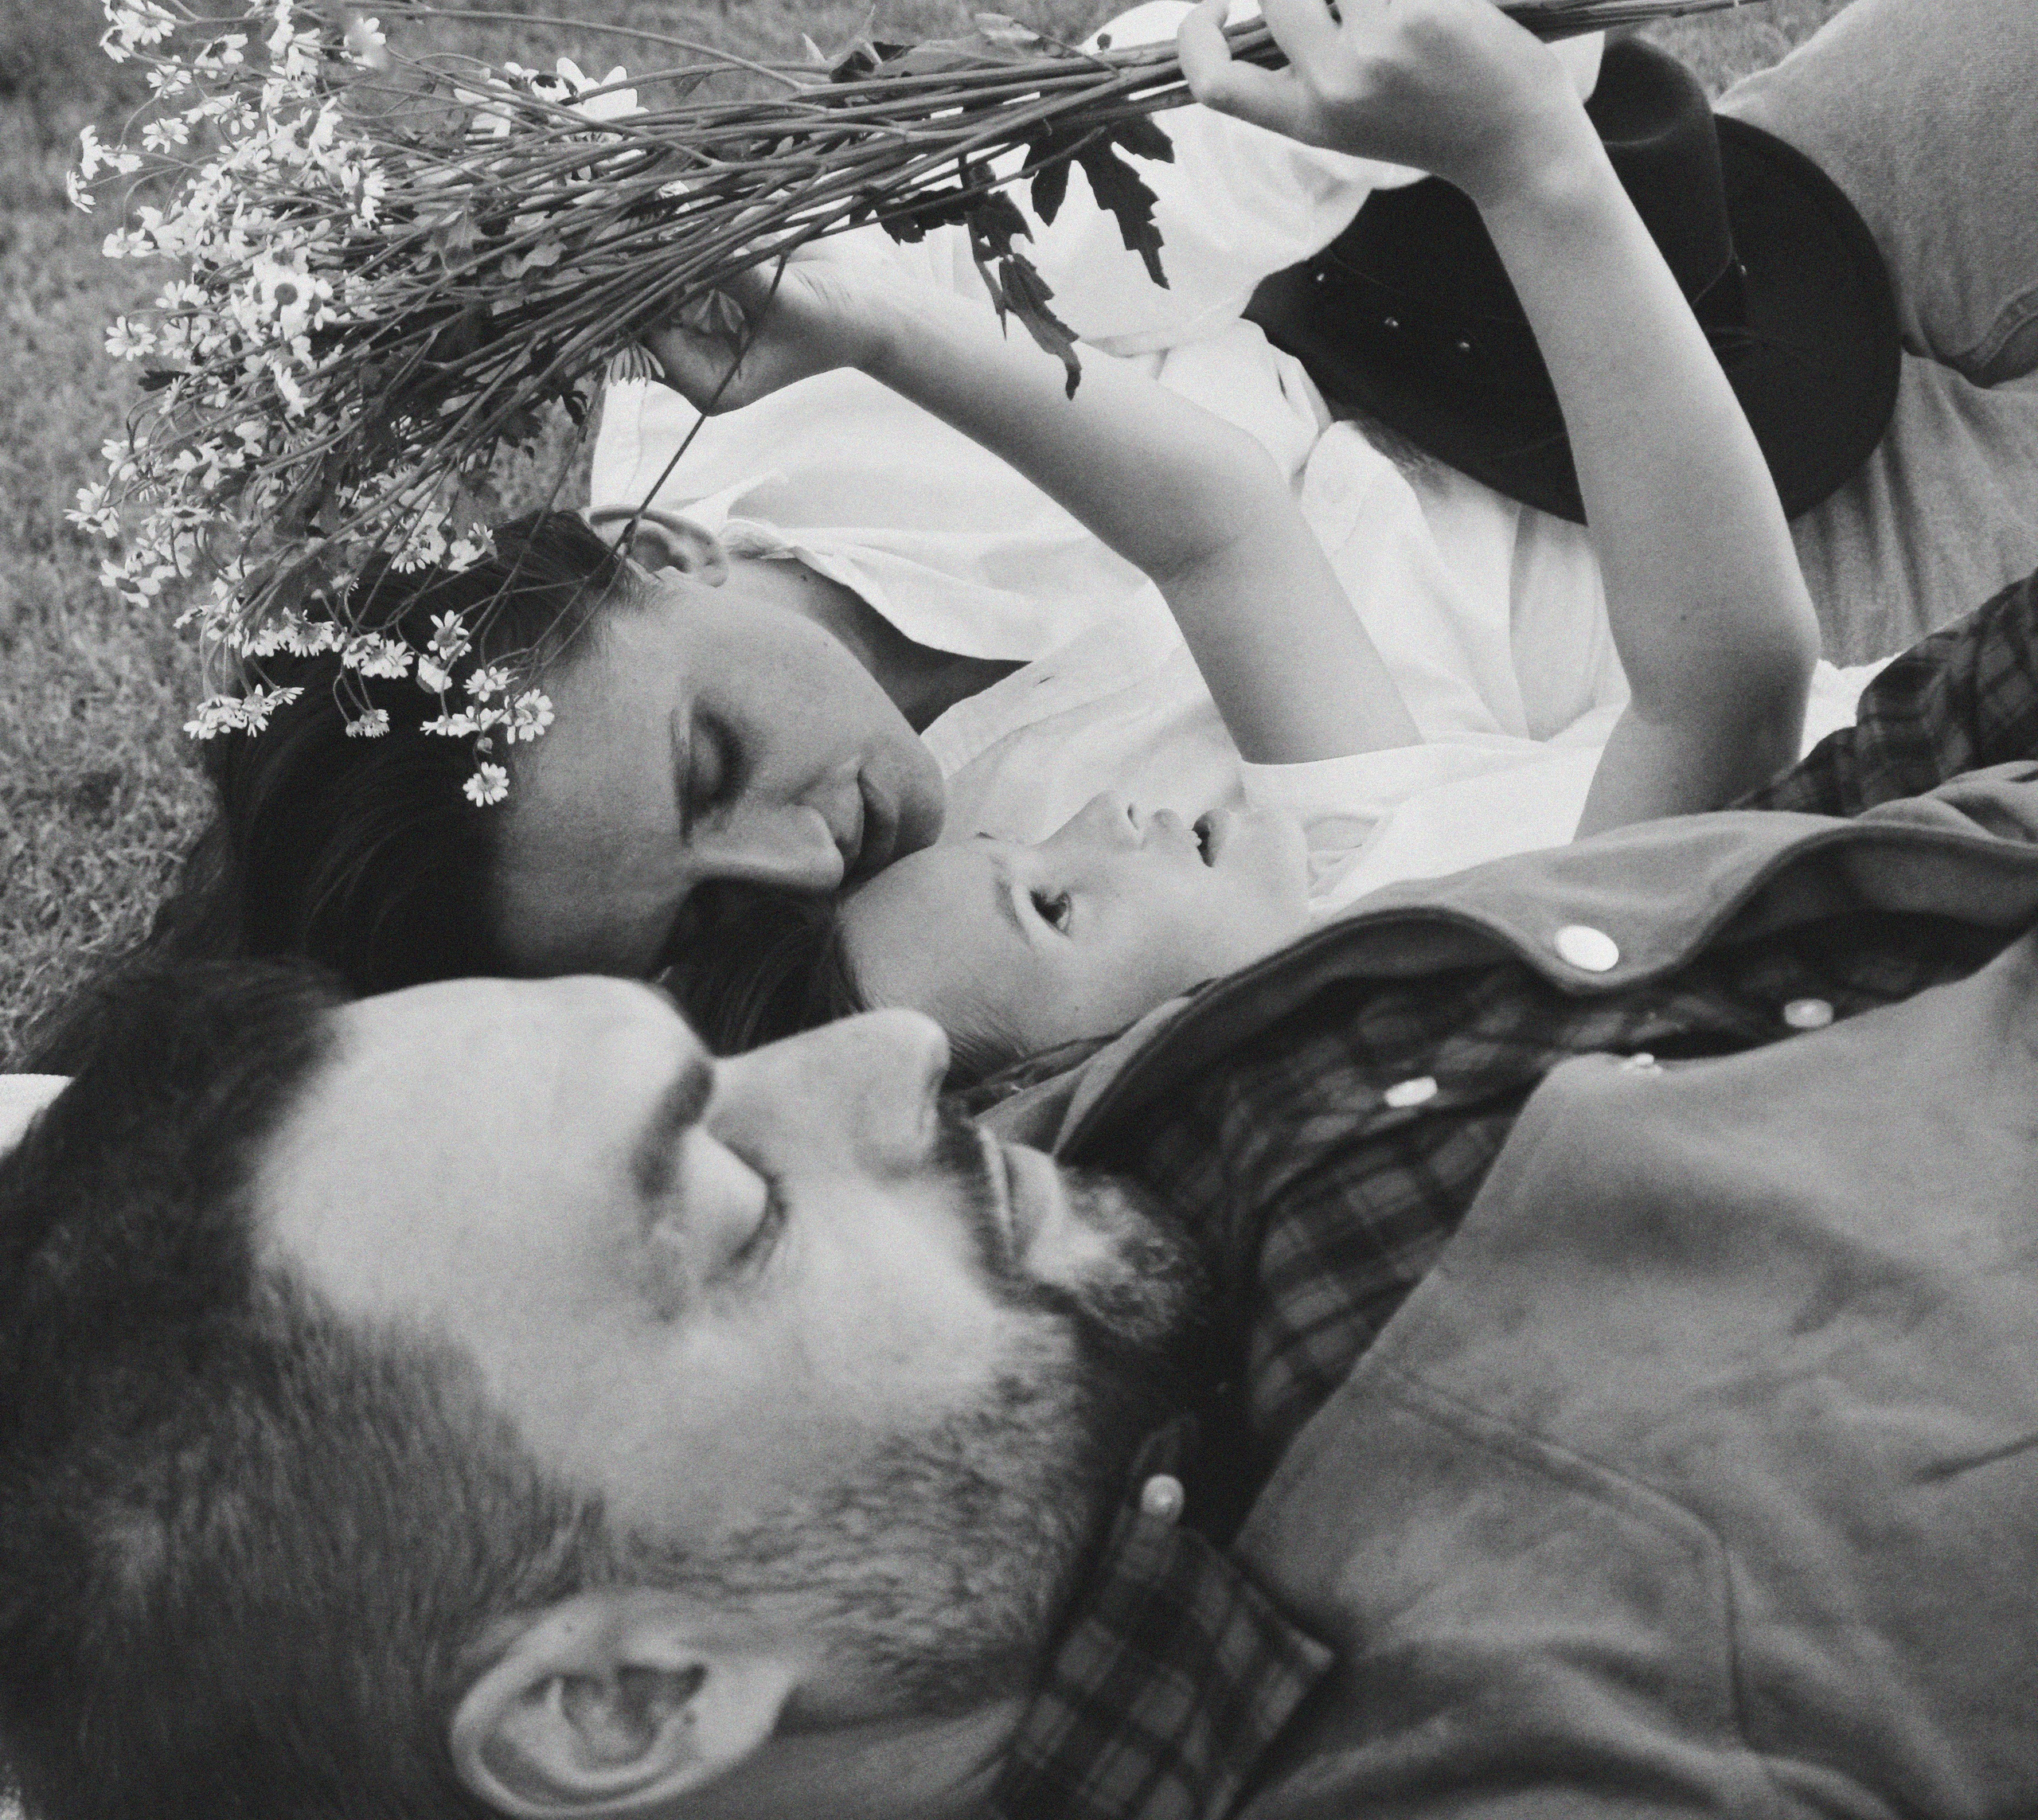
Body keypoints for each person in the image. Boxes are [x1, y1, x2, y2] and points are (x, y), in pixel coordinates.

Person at [6, 545, 2038, 1816]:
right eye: (729, 1203)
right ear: (628, 1700)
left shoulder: (1075, 1236)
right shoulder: (1561, 1727)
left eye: (720, 1068)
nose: (888, 1062)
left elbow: (1804, 834)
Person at [161, 0, 2038, 998]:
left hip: (1704, 264)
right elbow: (1695, 707)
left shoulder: (776, 358)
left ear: (646, 553)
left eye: (710, 761)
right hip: (1818, 605)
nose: (801, 854)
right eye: (704, 921)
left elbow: (1262, 100)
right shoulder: (1002, 947)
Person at [650, 0, 1820, 1070]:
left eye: (1021, 845)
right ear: (1093, 1078)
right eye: (1053, 906)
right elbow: (1726, 691)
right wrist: (1527, 161)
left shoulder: (1333, 873)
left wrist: (873, 326)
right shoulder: (1442, 974)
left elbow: (1218, 531)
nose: (1103, 821)